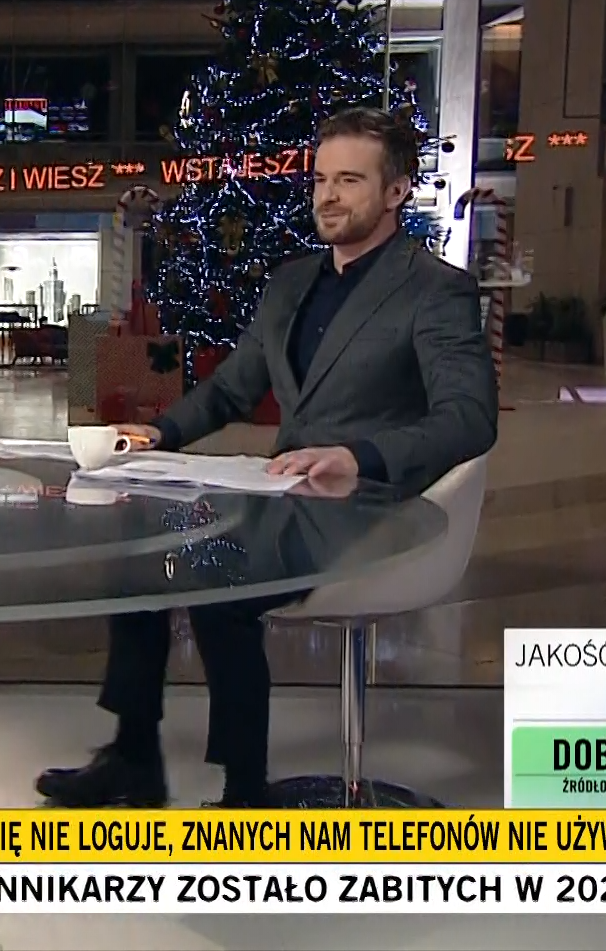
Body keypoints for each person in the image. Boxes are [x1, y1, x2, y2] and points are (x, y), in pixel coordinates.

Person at [38, 107, 499, 808]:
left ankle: (245, 793)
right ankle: (134, 759)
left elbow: (468, 418)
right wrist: (158, 434)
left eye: (349, 180)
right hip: (288, 501)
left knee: (220, 582)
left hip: (373, 507)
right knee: (140, 555)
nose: (328, 196)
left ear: (396, 191)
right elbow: (232, 388)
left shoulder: (434, 290)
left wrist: (359, 456)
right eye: (321, 180)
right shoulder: (292, 284)